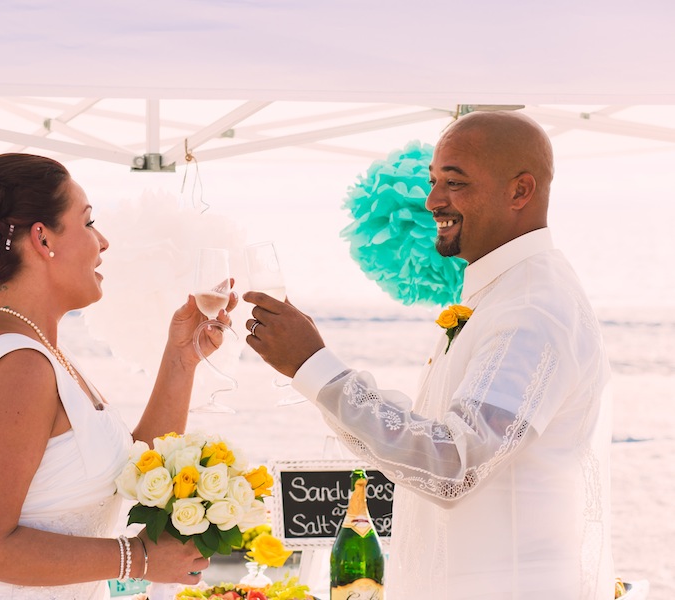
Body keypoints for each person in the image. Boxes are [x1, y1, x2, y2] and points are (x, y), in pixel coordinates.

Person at [243, 111, 614, 599]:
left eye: (454, 183)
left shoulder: (533, 309)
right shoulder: (502, 294)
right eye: (433, 180)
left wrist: (315, 368)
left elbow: (455, 465)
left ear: (520, 192)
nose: (433, 200)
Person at [0, 153, 235, 599]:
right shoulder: (19, 365)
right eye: (88, 223)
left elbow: (133, 468)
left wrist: (181, 359)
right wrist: (141, 559)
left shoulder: (43, 351)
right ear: (43, 239)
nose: (103, 242)